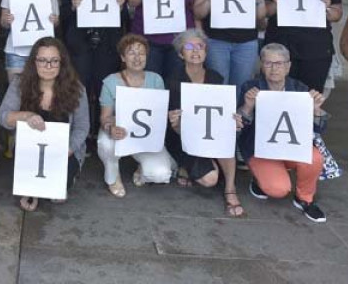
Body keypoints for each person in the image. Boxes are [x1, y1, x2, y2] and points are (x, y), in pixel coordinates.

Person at [237, 43, 328, 223]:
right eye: (268, 63)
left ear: (288, 66)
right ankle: (259, 180)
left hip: (291, 147)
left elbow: (318, 129)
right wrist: (247, 107)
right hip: (261, 150)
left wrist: (317, 110)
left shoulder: (300, 88)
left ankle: (305, 198)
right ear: (261, 65)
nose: (274, 68)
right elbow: (239, 128)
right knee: (277, 190)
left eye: (279, 63)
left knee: (316, 157)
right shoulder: (251, 87)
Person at [0, 37, 90, 212]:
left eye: (54, 61)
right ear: (34, 62)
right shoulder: (19, 84)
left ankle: (64, 179)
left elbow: (82, 126)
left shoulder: (77, 89)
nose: (48, 66)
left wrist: (69, 149)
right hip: (29, 151)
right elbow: (3, 117)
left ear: (62, 63)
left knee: (57, 194)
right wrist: (25, 115)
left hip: (64, 152)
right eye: (42, 60)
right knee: (28, 192)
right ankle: (32, 188)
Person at [165, 29, 245, 218]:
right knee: (210, 179)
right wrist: (176, 124)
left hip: (212, 133)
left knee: (226, 136)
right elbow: (174, 128)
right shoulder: (173, 80)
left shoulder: (215, 77)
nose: (195, 51)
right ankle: (185, 166)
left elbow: (221, 112)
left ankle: (230, 189)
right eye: (189, 47)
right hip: (183, 138)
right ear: (180, 54)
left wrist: (233, 120)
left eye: (200, 46)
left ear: (206, 52)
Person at [59, 0, 127, 141]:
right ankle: (82, 134)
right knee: (80, 90)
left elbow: (123, 18)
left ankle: (102, 131)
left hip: (107, 43)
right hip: (81, 44)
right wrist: (72, 6)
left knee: (104, 88)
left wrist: (122, 5)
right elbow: (62, 15)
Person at [97, 34, 175, 198]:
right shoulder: (111, 81)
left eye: (141, 53)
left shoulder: (156, 80)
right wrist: (110, 127)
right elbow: (105, 117)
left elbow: (159, 115)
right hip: (120, 133)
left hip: (146, 137)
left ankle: (142, 168)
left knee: (161, 174)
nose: (137, 57)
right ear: (123, 57)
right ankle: (112, 176)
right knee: (105, 143)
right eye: (131, 52)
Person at [1, 0, 59, 82]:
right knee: (15, 95)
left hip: (43, 53)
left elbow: (56, 22)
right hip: (16, 52)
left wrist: (54, 20)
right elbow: (3, 22)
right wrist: (7, 20)